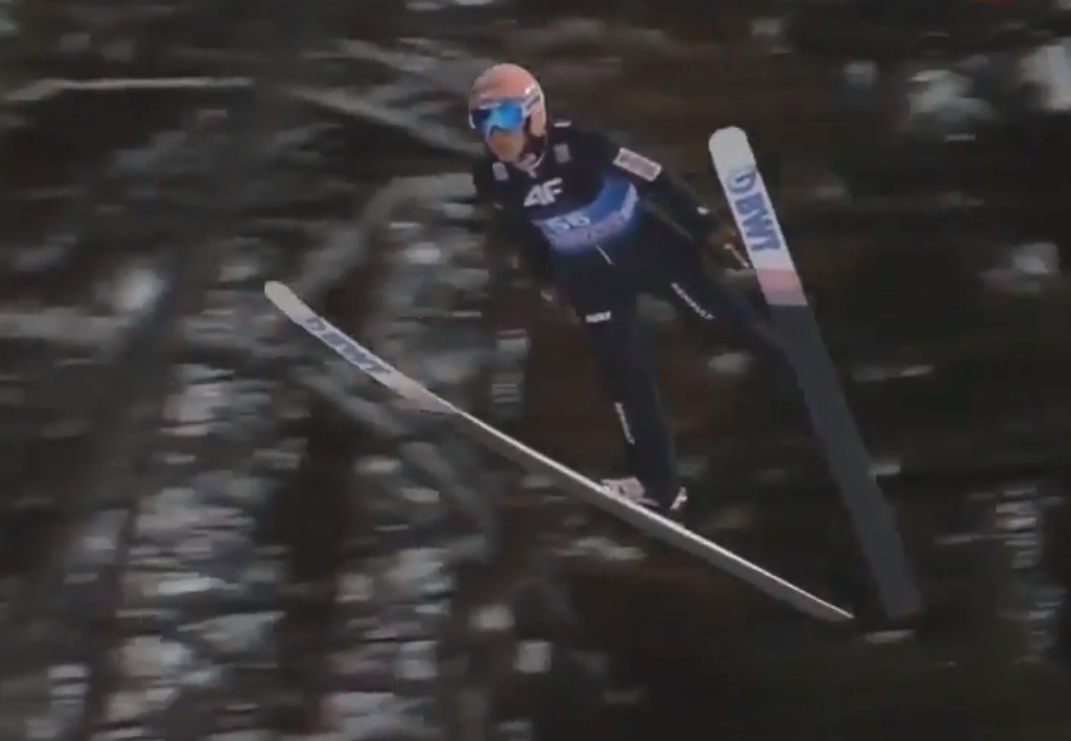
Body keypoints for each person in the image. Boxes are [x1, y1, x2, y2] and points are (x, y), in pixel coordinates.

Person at [469, 63, 790, 521]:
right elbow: (521, 232)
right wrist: (548, 281)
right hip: (587, 277)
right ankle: (658, 484)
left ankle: (799, 374)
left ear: (532, 114)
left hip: (647, 248)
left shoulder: (580, 145)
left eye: (503, 117)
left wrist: (705, 227)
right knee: (622, 373)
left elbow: (654, 177)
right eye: (482, 121)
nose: (494, 133)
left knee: (720, 323)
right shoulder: (491, 176)